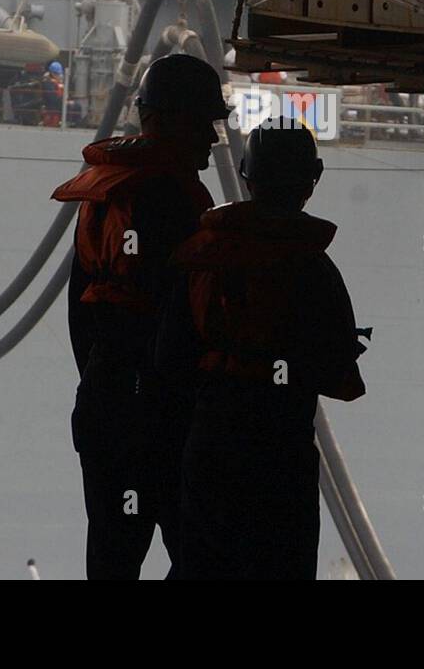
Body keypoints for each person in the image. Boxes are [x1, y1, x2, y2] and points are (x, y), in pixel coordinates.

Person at [162, 124, 368, 580]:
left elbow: (170, 357)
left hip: (210, 439)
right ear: (313, 177)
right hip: (281, 447)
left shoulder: (201, 257)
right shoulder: (314, 267)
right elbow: (339, 375)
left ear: (245, 176)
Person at [51, 52, 227, 579]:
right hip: (161, 415)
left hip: (105, 403)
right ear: (170, 119)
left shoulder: (103, 198)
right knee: (202, 553)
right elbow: (190, 321)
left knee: (112, 554)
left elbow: (79, 311)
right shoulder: (177, 205)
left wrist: (104, 385)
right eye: (204, 124)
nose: (213, 141)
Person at [41, 60, 65, 128]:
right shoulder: (48, 83)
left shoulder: (58, 82)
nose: (59, 75)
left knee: (76, 106)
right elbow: (52, 98)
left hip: (59, 104)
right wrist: (63, 100)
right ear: (52, 73)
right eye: (57, 74)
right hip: (51, 106)